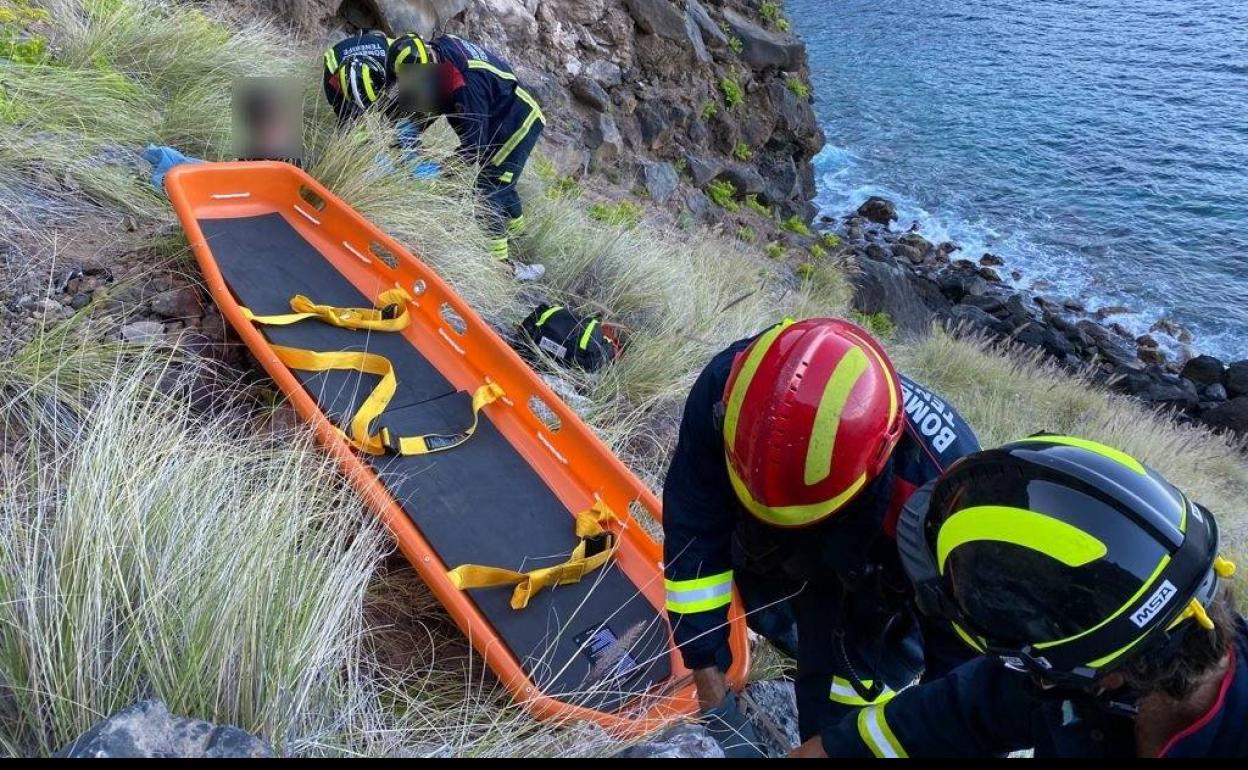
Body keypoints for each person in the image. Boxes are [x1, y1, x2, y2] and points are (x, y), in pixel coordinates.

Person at [795, 436, 1244, 758]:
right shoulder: (1084, 660)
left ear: (1105, 679)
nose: (1035, 683)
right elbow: (956, 713)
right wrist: (837, 748)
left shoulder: (1079, 663)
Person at [661, 317, 980, 755]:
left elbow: (963, 687)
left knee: (846, 692)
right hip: (769, 542)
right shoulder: (729, 391)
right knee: (770, 605)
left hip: (877, 572)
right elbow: (693, 531)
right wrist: (708, 675)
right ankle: (787, 630)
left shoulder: (945, 503)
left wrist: (840, 745)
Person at [322, 31, 545, 279]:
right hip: (492, 105)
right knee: (506, 185)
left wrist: (441, 172)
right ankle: (520, 236)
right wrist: (402, 143)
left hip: (515, 119)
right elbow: (426, 108)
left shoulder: (465, 81)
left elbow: (475, 148)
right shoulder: (431, 58)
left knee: (490, 184)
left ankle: (501, 268)